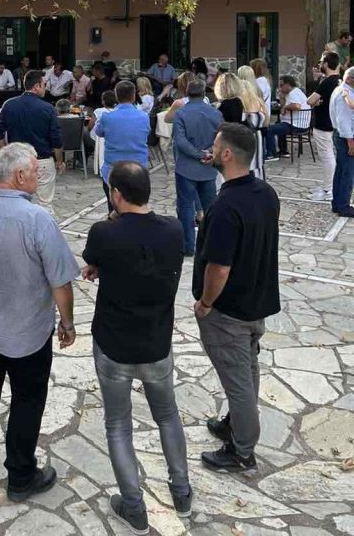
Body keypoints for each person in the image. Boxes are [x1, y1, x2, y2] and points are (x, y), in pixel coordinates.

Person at [0, 142, 79, 501]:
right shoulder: (38, 220)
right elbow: (60, 281)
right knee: (27, 401)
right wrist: (67, 323)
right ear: (20, 175)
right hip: (28, 333)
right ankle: (21, 475)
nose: (40, 174)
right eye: (36, 170)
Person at [82, 162, 191, 532]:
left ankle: (133, 507)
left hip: (114, 344)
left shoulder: (104, 232)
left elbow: (95, 258)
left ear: (116, 194)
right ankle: (182, 492)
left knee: (118, 424)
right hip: (156, 342)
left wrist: (102, 264)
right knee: (168, 416)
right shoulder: (174, 229)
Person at [194, 124, 280, 471]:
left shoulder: (225, 206)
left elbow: (219, 267)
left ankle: (242, 451)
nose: (211, 150)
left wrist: (205, 303)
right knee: (247, 369)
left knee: (238, 379)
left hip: (229, 310)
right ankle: (234, 422)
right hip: (256, 301)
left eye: (216, 146)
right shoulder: (266, 193)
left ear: (227, 154)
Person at [0, 70, 65, 212]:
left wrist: (6, 150)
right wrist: (59, 161)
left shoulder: (9, 105)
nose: (46, 88)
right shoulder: (47, 108)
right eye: (44, 84)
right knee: (45, 203)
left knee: (15, 202)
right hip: (42, 160)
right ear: (37, 86)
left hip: (17, 161)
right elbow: (56, 139)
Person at [173, 80, 223, 256]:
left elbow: (180, 141)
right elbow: (221, 137)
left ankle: (188, 246)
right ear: (204, 93)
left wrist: (198, 154)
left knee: (186, 207)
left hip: (186, 166)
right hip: (208, 166)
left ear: (187, 93)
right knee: (210, 208)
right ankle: (211, 244)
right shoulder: (215, 113)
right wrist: (209, 153)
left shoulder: (181, 113)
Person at [94, 81, 150, 211]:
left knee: (114, 208)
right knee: (138, 207)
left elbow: (98, 131)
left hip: (113, 169)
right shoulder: (144, 116)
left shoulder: (107, 117)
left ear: (116, 96)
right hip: (138, 169)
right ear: (133, 96)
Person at [307, 53, 340, 203]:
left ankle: (328, 189)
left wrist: (317, 102)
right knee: (330, 156)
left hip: (323, 124)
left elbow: (310, 100)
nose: (319, 64)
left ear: (326, 64)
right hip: (334, 123)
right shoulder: (339, 81)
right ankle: (329, 187)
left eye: (321, 62)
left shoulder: (327, 82)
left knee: (327, 157)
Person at [264, 76, 310, 161]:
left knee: (269, 129)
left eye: (282, 85)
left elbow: (297, 106)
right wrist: (282, 98)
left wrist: (285, 107)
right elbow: (283, 106)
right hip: (294, 122)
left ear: (288, 85)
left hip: (295, 124)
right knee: (278, 124)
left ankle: (271, 154)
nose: (280, 88)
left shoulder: (293, 93)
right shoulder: (292, 93)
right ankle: (283, 151)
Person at [329, 67, 354, 218]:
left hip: (342, 135)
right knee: (348, 172)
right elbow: (344, 120)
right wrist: (350, 141)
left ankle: (338, 203)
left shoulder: (343, 90)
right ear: (350, 79)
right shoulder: (344, 94)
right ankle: (343, 206)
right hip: (346, 136)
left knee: (341, 170)